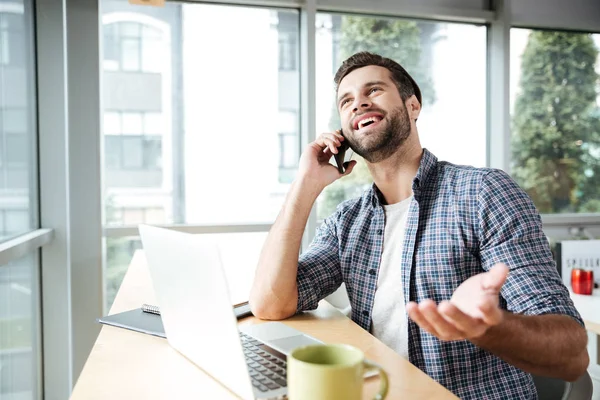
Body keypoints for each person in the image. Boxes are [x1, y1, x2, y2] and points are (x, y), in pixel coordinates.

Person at [248, 51, 589, 399]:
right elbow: (270, 304)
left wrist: (489, 328)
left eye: (374, 90)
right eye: (346, 100)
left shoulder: (482, 193)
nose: (359, 103)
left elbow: (572, 356)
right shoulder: (347, 223)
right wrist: (305, 185)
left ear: (413, 106)